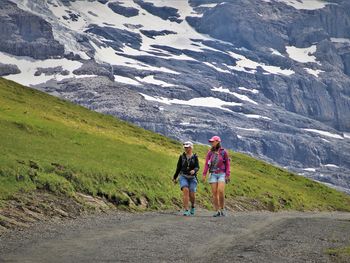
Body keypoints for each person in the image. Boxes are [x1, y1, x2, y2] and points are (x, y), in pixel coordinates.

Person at [202, 136, 230, 217]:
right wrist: (204, 174)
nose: (211, 143)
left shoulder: (224, 152)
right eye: (211, 142)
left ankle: (222, 208)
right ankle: (217, 210)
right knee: (214, 193)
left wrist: (228, 174)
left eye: (213, 141)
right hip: (213, 174)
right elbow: (207, 164)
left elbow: (228, 164)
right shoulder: (210, 152)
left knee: (220, 191)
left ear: (217, 142)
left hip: (222, 173)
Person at [173, 141, 199, 216]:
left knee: (192, 194)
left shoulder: (195, 157)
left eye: (188, 147)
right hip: (183, 176)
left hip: (192, 178)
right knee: (185, 190)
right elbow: (178, 168)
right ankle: (186, 209)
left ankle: (193, 206)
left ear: (191, 148)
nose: (186, 149)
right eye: (185, 147)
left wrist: (194, 170)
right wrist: (175, 177)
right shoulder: (182, 157)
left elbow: (197, 167)